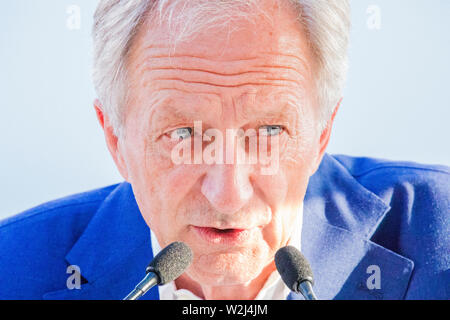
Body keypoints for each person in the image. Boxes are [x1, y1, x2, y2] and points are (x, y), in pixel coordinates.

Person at [0, 0, 448, 300]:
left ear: (321, 133)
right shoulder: (12, 269)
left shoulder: (437, 237)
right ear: (115, 139)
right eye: (183, 135)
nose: (228, 196)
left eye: (269, 130)